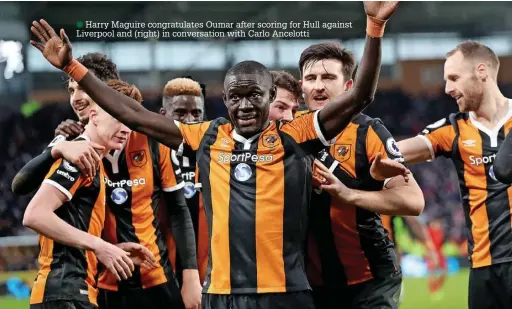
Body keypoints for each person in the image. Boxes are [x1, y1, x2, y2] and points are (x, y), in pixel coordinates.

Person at [29, 3, 398, 308]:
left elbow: (360, 96)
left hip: (285, 294)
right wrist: (72, 67)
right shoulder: (208, 136)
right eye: (235, 97)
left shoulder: (294, 135)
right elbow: (133, 115)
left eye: (254, 95)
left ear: (271, 99)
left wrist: (374, 26)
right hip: (220, 295)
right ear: (224, 101)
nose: (244, 105)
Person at [12, 55, 202, 308]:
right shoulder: (73, 144)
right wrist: (55, 149)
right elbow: (22, 190)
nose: (76, 97)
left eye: (84, 86)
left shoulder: (151, 140)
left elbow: (178, 210)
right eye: (71, 90)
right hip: (95, 281)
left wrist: (190, 276)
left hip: (150, 272)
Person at [293, 41, 423, 309]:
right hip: (312, 283)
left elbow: (413, 201)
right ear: (301, 87)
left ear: (349, 87)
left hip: (371, 277)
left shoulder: (368, 132)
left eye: (328, 77)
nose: (318, 86)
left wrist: (349, 193)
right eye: (311, 78)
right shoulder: (286, 134)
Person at [396, 40, 512, 309]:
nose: (447, 88)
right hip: (484, 269)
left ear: (481, 71)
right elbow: (394, 151)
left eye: (454, 78)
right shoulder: (452, 129)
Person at [22, 80, 157, 309]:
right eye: (118, 118)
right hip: (63, 293)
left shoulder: (94, 160)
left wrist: (113, 250)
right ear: (93, 116)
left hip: (74, 292)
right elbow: (34, 215)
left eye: (129, 121)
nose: (126, 128)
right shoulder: (79, 156)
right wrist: (100, 246)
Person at [159, 77, 209, 285]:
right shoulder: (152, 154)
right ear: (164, 115)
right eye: (180, 113)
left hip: (211, 277)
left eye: (196, 113)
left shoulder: (216, 154)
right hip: (164, 275)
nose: (189, 120)